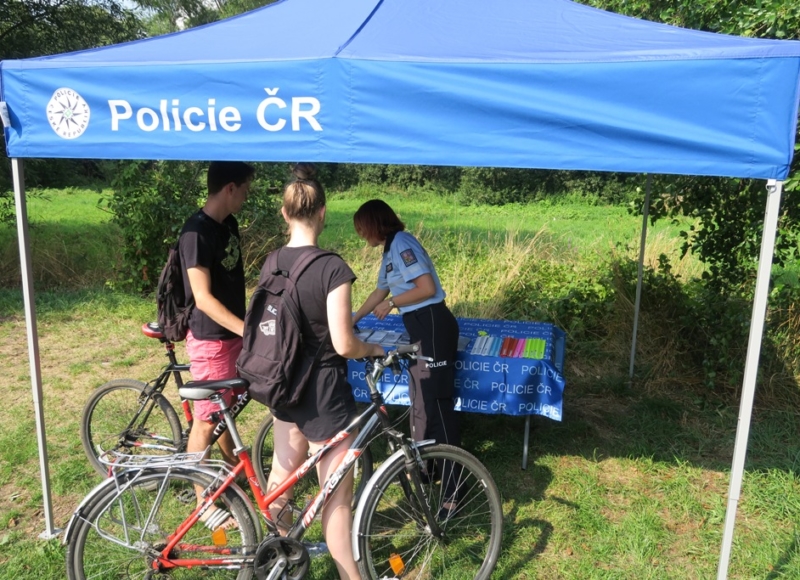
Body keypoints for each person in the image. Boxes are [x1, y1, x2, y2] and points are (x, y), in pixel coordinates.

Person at [264, 163, 384, 580]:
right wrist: (373, 347)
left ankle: (277, 560)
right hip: (323, 394)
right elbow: (344, 344)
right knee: (336, 499)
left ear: (284, 213)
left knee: (281, 477)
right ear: (324, 212)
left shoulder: (271, 261)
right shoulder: (332, 268)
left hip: (282, 385)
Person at [351, 199, 462, 517]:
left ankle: (455, 489)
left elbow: (425, 288)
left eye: (362, 229)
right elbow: (379, 291)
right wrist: (353, 318)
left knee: (438, 407)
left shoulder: (402, 243)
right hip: (420, 328)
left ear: (374, 224)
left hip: (432, 325)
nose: (361, 236)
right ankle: (430, 469)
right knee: (422, 402)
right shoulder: (390, 249)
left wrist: (394, 304)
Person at [178, 160, 254, 529]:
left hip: (234, 335)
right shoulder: (195, 233)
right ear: (229, 188)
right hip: (211, 340)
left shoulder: (230, 225)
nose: (247, 196)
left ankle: (232, 471)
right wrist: (246, 329)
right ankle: (202, 504)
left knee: (229, 406)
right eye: (245, 190)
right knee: (206, 421)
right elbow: (204, 298)